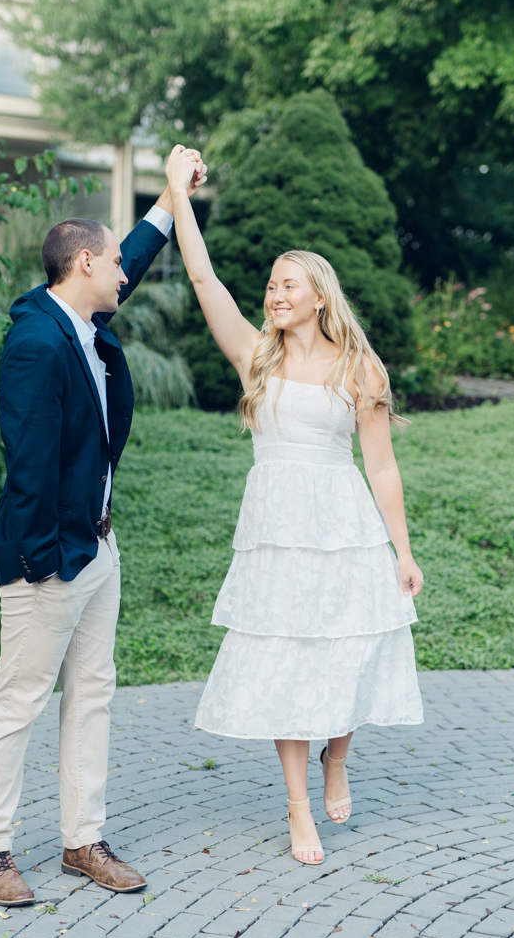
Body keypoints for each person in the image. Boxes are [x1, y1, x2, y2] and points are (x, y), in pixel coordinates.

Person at [165, 146, 424, 866]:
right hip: (276, 531)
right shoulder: (256, 357)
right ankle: (295, 806)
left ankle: (336, 755)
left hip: (343, 527)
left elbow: (381, 464)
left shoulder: (357, 367)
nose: (274, 294)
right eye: (272, 285)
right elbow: (201, 276)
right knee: (285, 658)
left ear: (318, 296)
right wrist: (175, 194)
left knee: (353, 647)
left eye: (288, 285)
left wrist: (402, 551)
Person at [0, 152, 207, 906]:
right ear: (81, 263)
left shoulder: (81, 316)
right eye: (111, 265)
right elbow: (27, 462)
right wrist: (42, 563)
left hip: (99, 545)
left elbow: (131, 251)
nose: (123, 277)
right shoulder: (37, 341)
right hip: (49, 556)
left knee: (92, 694)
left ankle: (83, 840)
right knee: (19, 699)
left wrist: (170, 196)